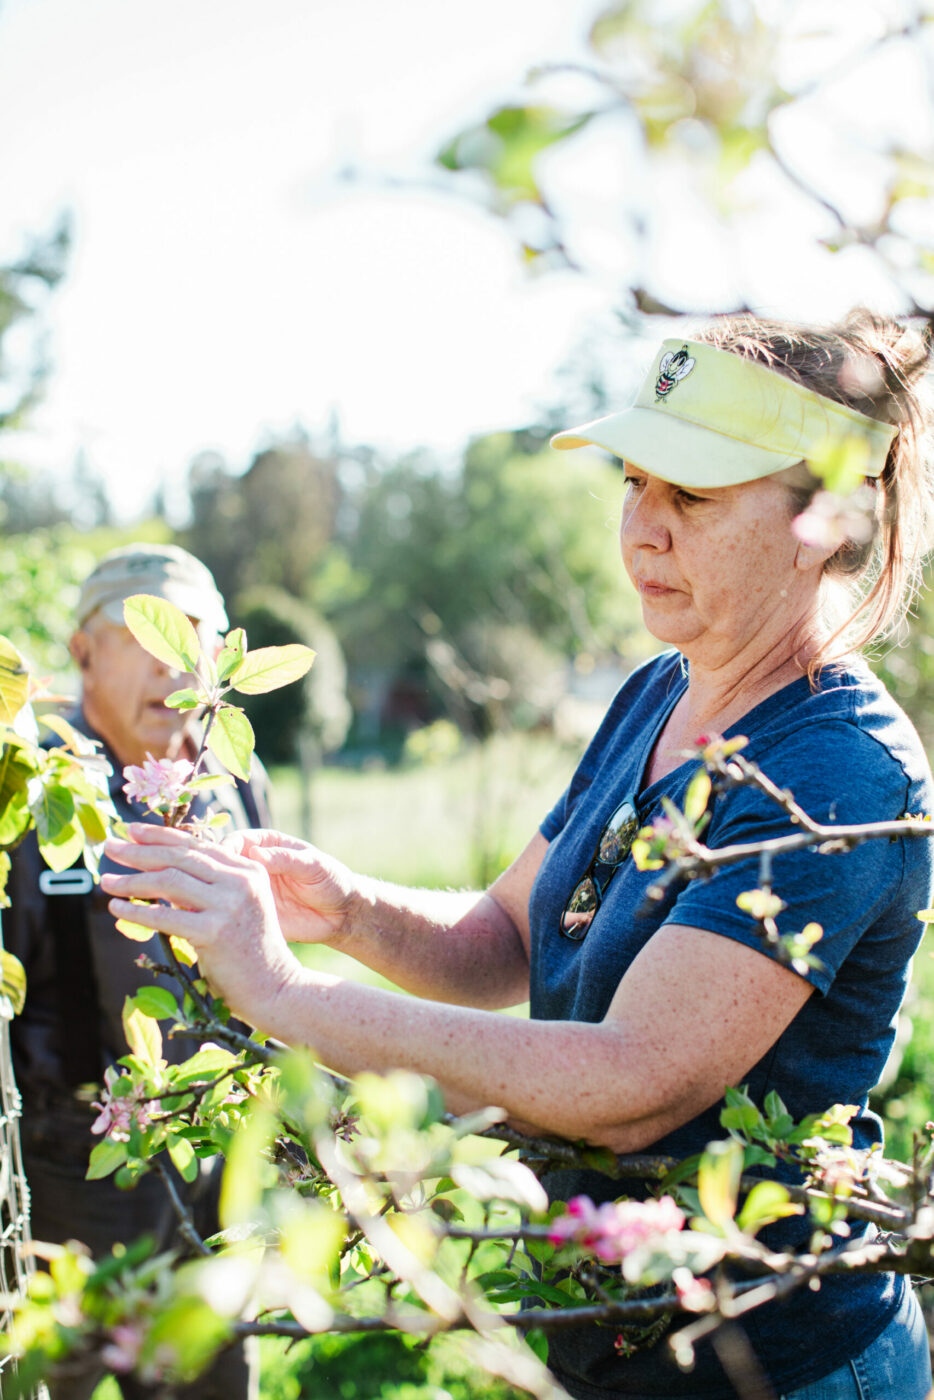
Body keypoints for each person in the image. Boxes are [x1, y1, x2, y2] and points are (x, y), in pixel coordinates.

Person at [103, 313, 934, 1399]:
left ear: (826, 519)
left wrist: (281, 992)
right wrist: (348, 907)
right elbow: (506, 937)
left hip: (776, 1363)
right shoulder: (659, 690)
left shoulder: (833, 770)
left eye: (692, 495)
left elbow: (629, 1080)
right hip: (612, 1334)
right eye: (634, 481)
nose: (640, 528)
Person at [5, 543, 270, 1400]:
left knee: (213, 1380)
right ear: (84, 650)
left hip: (209, 1152)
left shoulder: (233, 776)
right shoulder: (31, 785)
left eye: (196, 641)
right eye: (149, 638)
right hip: (66, 1172)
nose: (176, 669)